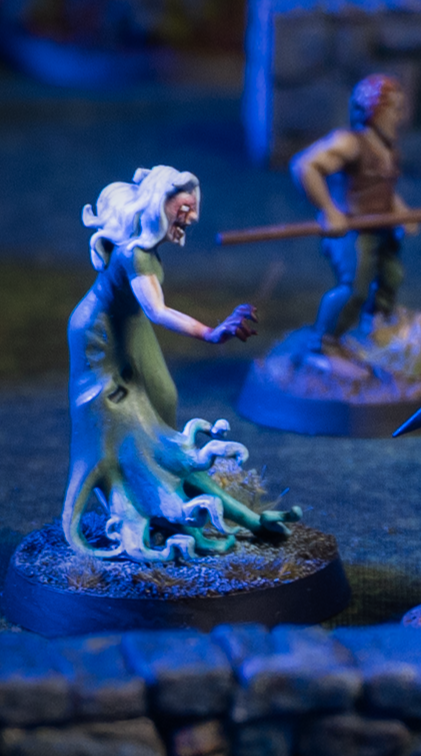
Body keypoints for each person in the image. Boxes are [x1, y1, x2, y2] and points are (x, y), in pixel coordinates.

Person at [63, 166, 297, 562]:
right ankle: (146, 496)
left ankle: (170, 479)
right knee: (128, 422)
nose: (192, 217)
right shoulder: (135, 254)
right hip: (99, 335)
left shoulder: (146, 248)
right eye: (184, 208)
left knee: (163, 397)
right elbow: (157, 310)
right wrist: (211, 332)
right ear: (158, 206)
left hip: (129, 323)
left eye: (193, 207)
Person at [292, 73, 416, 356]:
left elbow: (381, 189)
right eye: (394, 110)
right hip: (352, 232)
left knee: (391, 277)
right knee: (355, 289)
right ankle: (323, 342)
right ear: (374, 110)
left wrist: (401, 213)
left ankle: (375, 330)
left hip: (381, 229)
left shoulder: (387, 147)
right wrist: (329, 211)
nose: (400, 117)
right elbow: (305, 166)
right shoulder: (349, 143)